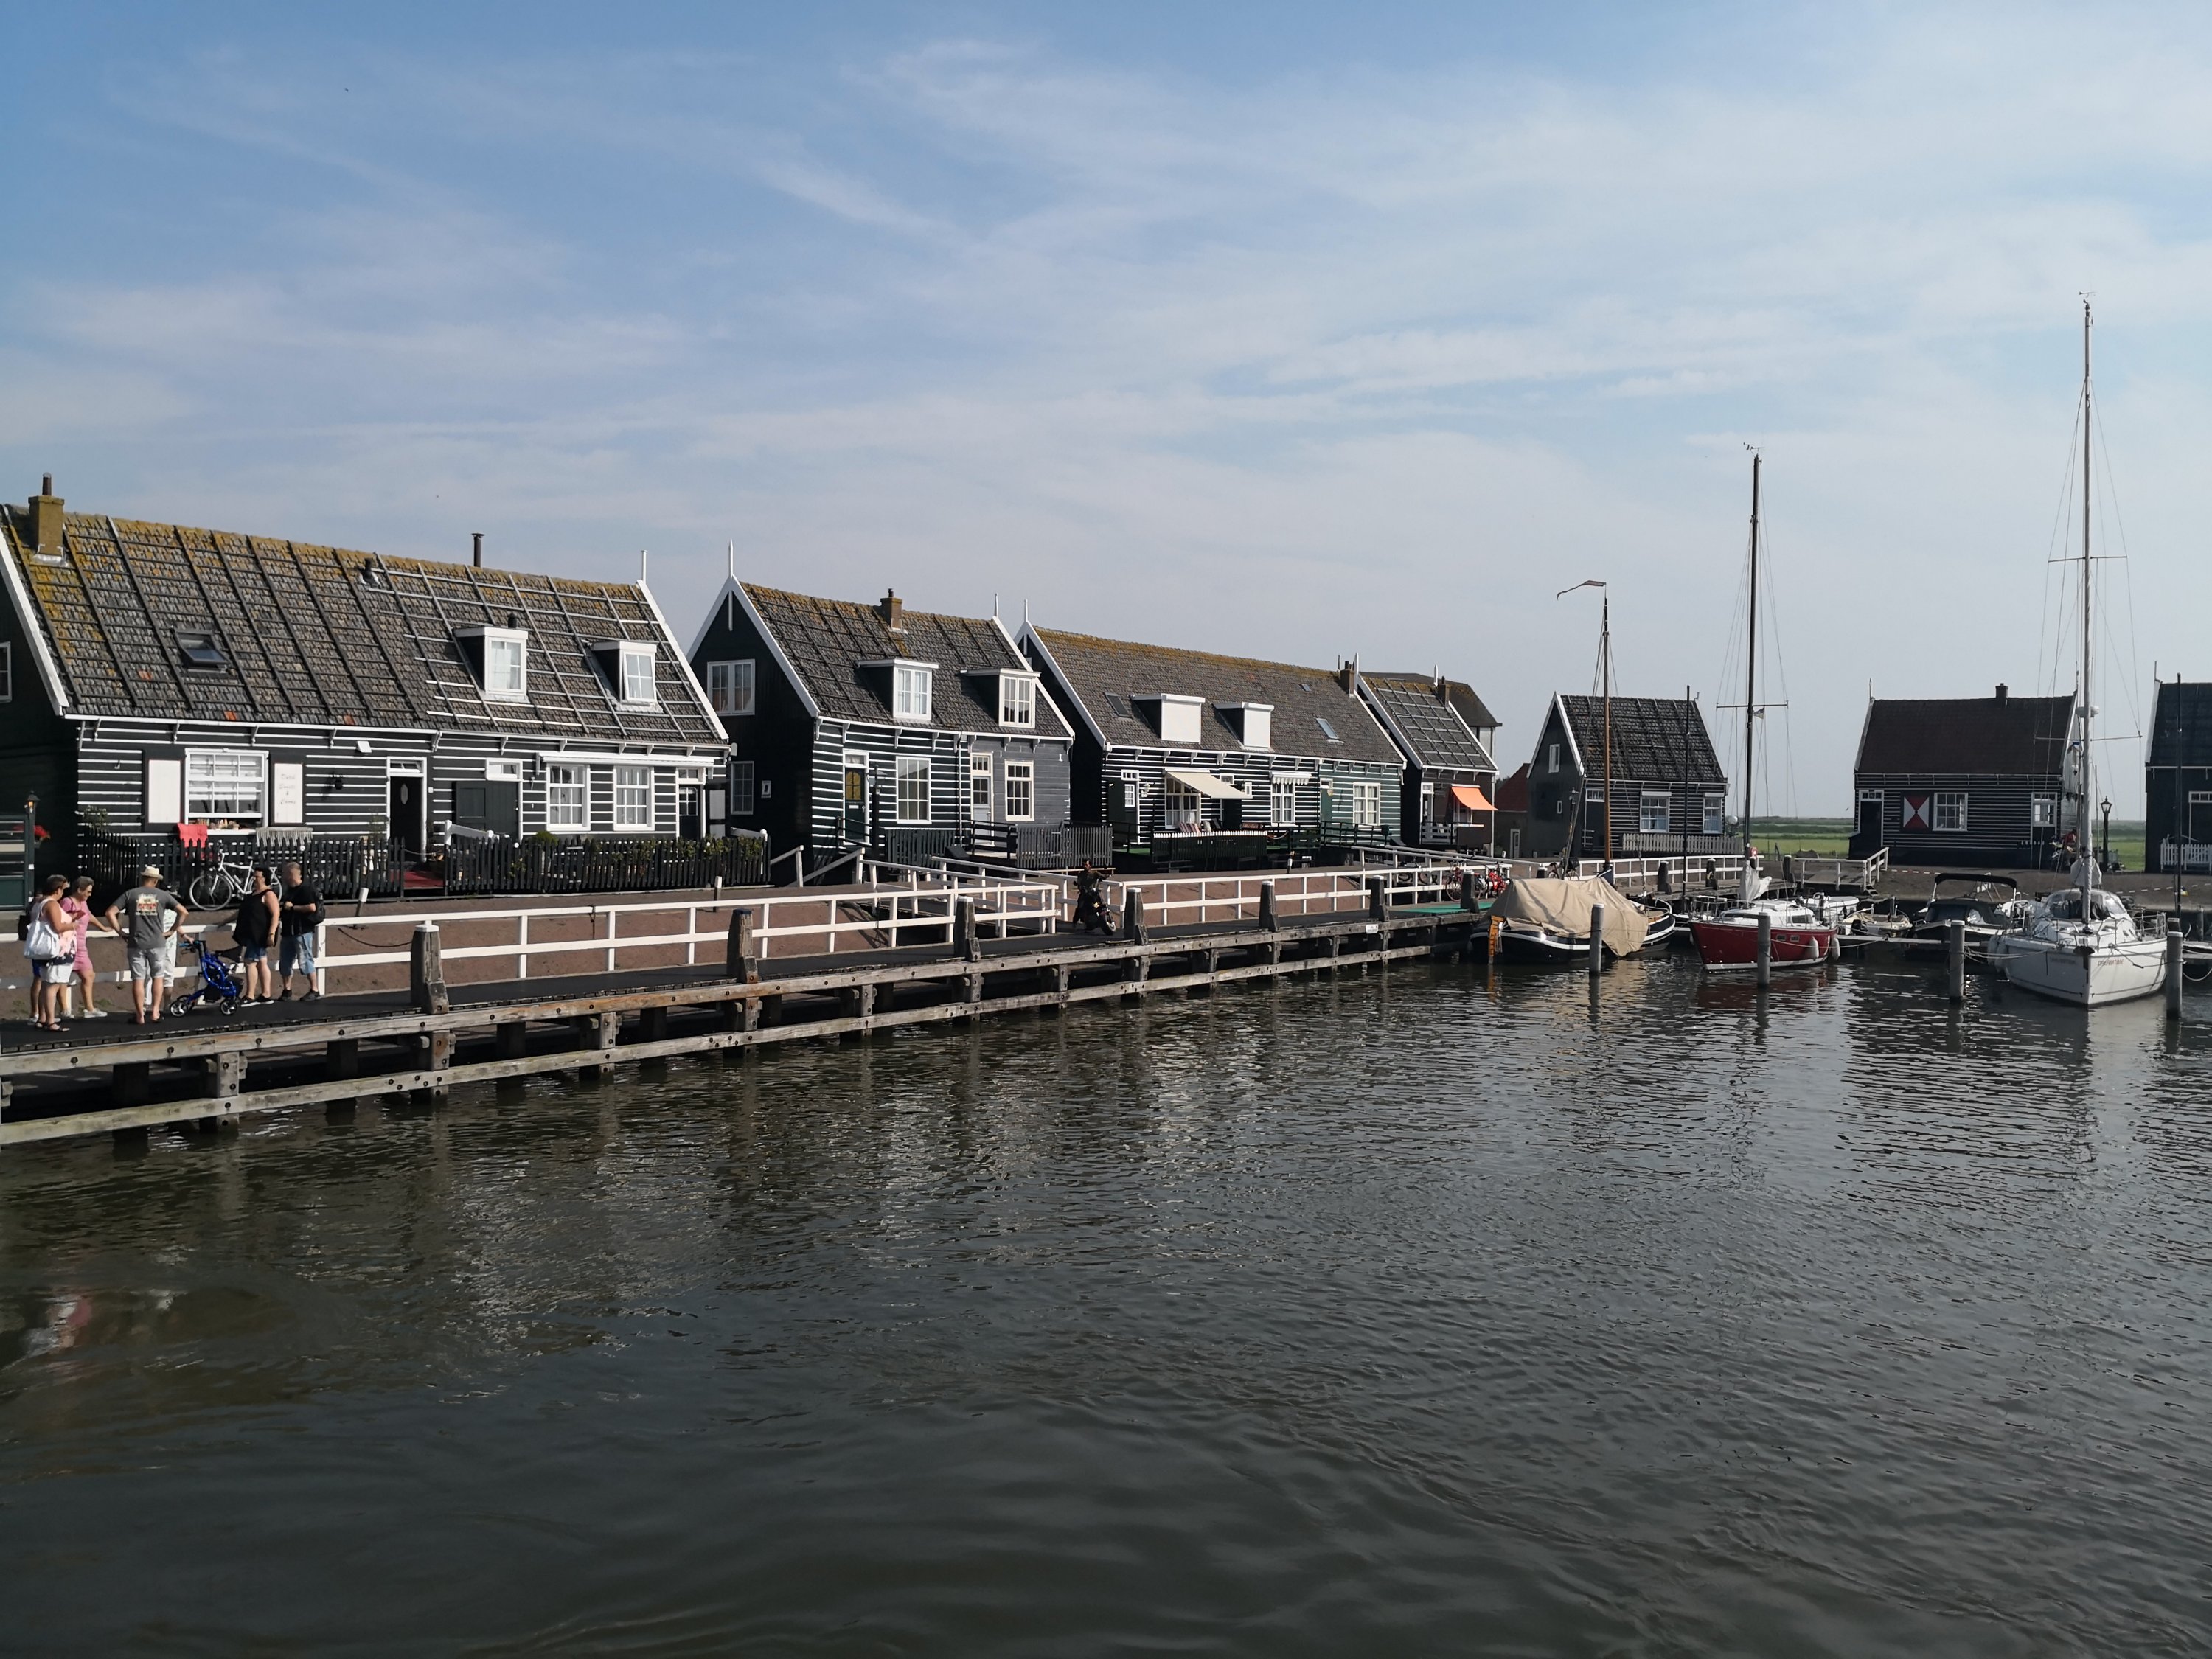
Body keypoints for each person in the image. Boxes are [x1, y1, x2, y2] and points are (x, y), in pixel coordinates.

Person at [104, 866, 189, 1025]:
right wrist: (172, 930)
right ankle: (155, 1012)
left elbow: (110, 913)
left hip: (136, 942)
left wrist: (120, 932)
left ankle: (140, 1015)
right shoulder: (163, 895)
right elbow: (184, 912)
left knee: (138, 979)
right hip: (158, 942)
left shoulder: (131, 894)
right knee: (158, 977)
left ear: (142, 878)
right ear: (156, 881)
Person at [27, 875, 77, 1032]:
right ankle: (50, 1021)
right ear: (57, 889)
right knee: (52, 985)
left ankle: (43, 1018)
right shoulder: (51, 904)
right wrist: (73, 925)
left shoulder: (38, 904)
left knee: (46, 983)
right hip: (57, 950)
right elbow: (57, 927)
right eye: (63, 889)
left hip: (44, 950)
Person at [61, 875, 107, 1019]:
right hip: (68, 946)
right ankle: (65, 1010)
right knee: (62, 979)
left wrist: (103, 927)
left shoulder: (83, 903)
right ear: (80, 890)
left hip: (81, 947)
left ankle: (89, 1008)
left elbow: (89, 916)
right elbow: (60, 920)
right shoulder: (67, 902)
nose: (90, 894)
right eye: (88, 891)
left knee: (89, 975)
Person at [276, 862, 324, 1001]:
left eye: (285, 873)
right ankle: (287, 990)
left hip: (302, 931)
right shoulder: (289, 891)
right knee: (285, 962)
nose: (283, 876)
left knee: (305, 960)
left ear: (291, 874)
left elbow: (312, 908)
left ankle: (314, 989)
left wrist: (293, 908)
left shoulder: (305, 889)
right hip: (288, 932)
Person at [234, 866, 280, 1002]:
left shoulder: (268, 894)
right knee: (261, 962)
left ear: (264, 878)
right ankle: (266, 994)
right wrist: (224, 921)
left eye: (257, 877)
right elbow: (242, 911)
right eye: (253, 876)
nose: (254, 879)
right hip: (251, 933)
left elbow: (276, 914)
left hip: (260, 934)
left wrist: (271, 933)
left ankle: (250, 995)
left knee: (250, 962)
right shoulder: (252, 895)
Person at [1072, 860, 1112, 935]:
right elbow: (1079, 884)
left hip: (1093, 894)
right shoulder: (1081, 874)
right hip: (1084, 894)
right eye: (1084, 864)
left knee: (1098, 904)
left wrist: (1108, 875)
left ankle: (1099, 917)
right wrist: (1081, 888)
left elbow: (1102, 876)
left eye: (1086, 865)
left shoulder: (1095, 873)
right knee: (1080, 908)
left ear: (1090, 865)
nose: (1085, 866)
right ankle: (1075, 922)